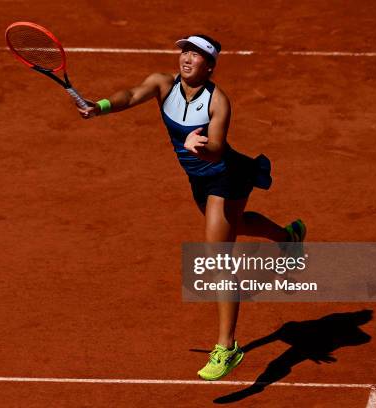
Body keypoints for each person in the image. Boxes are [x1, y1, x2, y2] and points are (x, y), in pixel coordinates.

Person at [77, 34, 306, 381]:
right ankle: (287, 237)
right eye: (185, 50)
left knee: (218, 257)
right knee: (237, 224)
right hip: (199, 181)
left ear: (209, 66)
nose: (186, 58)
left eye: (196, 55)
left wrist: (197, 147)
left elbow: (215, 149)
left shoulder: (218, 101)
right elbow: (131, 95)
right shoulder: (161, 84)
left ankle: (227, 347)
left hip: (225, 176)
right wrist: (101, 106)